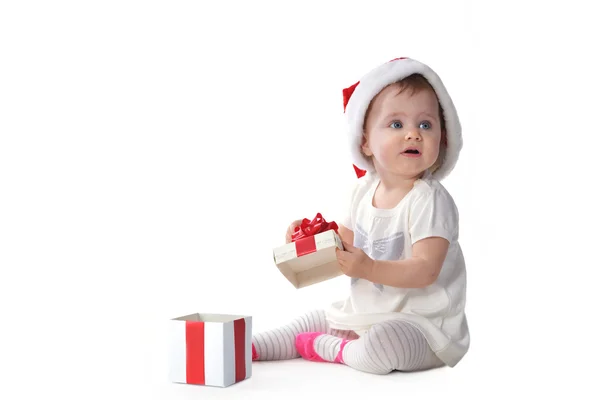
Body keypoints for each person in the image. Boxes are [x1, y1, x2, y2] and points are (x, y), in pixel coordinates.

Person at [252, 57, 469, 375]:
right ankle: (254, 347)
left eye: (426, 124)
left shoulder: (430, 200)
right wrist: (308, 240)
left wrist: (368, 268)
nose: (413, 134)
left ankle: (334, 349)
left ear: (443, 136)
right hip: (366, 313)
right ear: (365, 141)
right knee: (321, 317)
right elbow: (341, 249)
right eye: (396, 124)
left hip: (424, 327)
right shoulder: (361, 192)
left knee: (386, 345)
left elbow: (425, 270)